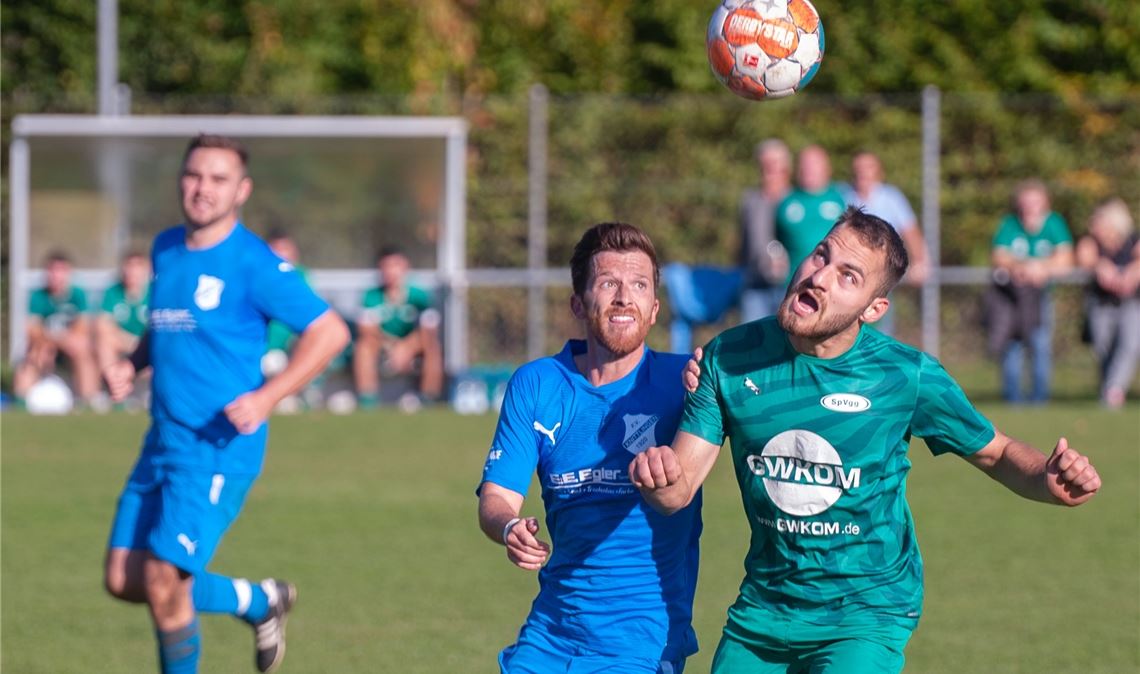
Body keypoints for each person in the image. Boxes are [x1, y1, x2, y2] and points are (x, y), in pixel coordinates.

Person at [630, 207, 1101, 674]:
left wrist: (1046, 479)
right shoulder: (730, 357)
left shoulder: (904, 375)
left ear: (873, 309)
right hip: (764, 609)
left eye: (848, 276)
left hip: (867, 611)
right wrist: (660, 478)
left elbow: (995, 451)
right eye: (821, 255)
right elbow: (678, 488)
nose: (820, 277)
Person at [101, 134, 350, 674]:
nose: (202, 188)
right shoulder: (166, 247)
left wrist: (267, 397)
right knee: (123, 578)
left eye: (218, 179)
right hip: (162, 441)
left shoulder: (254, 264)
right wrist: (132, 363)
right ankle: (258, 601)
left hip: (216, 449)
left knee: (164, 581)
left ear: (242, 190)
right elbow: (166, 326)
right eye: (193, 175)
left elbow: (330, 332)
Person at [477, 222, 702, 673]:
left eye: (639, 285)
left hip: (641, 645)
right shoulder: (537, 384)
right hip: (548, 636)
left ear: (654, 310)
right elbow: (496, 498)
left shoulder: (687, 382)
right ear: (578, 304)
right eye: (608, 284)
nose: (624, 297)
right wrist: (509, 527)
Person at [988, 179, 1074, 403]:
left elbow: (1065, 259)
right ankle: (1013, 397)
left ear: (1045, 202)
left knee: (1040, 343)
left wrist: (1041, 268)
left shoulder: (1054, 223)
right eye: (1026, 202)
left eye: (1035, 202)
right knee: (1012, 344)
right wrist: (1021, 267)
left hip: (1040, 296)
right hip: (1013, 298)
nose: (1030, 207)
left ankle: (1039, 397)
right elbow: (998, 255)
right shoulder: (1010, 223)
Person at [840, 151, 929, 335]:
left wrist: (920, 261)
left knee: (878, 329)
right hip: (848, 273)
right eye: (859, 168)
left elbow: (911, 232)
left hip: (879, 274)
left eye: (868, 167)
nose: (863, 172)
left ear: (879, 172)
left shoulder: (891, 198)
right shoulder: (843, 195)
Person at [352, 245, 443, 410]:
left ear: (405, 267)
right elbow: (367, 330)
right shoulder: (371, 296)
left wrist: (406, 347)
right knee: (364, 346)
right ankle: (368, 400)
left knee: (432, 344)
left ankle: (429, 397)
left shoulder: (420, 297)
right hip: (382, 345)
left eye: (395, 265)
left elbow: (429, 329)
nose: (391, 271)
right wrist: (392, 346)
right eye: (386, 266)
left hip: (413, 345)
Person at [13, 250, 101, 408]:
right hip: (45, 345)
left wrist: (60, 340)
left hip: (69, 345)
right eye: (52, 271)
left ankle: (88, 400)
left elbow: (83, 327)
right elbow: (33, 329)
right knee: (35, 353)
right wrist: (48, 343)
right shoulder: (38, 296)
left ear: (68, 273)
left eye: (61, 271)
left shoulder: (78, 295)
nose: (56, 275)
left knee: (82, 348)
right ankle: (22, 399)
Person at [1075, 197, 1140, 409]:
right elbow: (1085, 258)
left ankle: (1114, 390)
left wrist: (1131, 274)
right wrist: (1100, 265)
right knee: (1103, 347)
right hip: (1101, 303)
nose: (1093, 225)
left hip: (1131, 303)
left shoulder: (1133, 240)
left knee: (1129, 345)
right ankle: (1108, 389)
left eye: (1098, 220)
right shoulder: (1091, 243)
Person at [774, 145, 846, 288]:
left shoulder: (842, 198)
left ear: (827, 168)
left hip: (830, 283)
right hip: (793, 282)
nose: (808, 169)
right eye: (804, 164)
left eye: (813, 164)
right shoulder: (786, 202)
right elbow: (775, 240)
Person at [739, 139, 793, 322]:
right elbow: (744, 243)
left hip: (788, 286)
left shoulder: (795, 201)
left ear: (786, 168)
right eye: (764, 164)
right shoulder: (750, 200)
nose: (768, 170)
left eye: (773, 164)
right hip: (755, 285)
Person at [96, 250, 151, 374]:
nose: (132, 271)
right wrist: (132, 342)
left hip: (148, 346)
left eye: (137, 266)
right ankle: (113, 381)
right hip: (124, 343)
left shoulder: (155, 292)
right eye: (129, 265)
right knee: (104, 341)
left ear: (146, 269)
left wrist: (142, 346)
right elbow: (102, 325)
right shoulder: (113, 292)